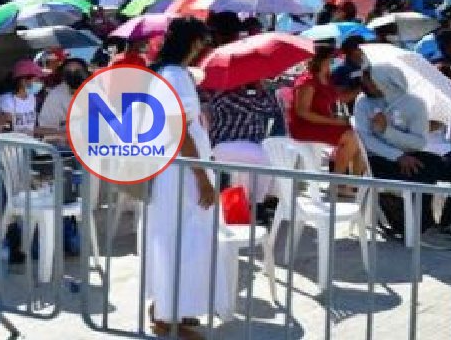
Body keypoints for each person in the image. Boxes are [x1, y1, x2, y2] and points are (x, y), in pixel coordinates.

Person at [145, 17, 229, 337]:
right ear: (192, 42)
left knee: (173, 237)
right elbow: (178, 131)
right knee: (185, 239)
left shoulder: (167, 73)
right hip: (182, 170)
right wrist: (202, 178)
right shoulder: (175, 75)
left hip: (176, 168)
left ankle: (168, 307)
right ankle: (171, 317)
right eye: (202, 41)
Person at [349, 64, 451, 245]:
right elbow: (367, 140)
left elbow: (418, 142)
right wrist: (397, 155)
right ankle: (421, 229)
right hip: (379, 159)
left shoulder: (414, 103)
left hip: (412, 153)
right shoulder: (363, 102)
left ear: (385, 82)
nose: (364, 85)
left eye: (369, 81)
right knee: (424, 174)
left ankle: (446, 222)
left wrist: (387, 131)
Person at [207, 81, 280, 225]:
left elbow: (273, 107)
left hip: (245, 147)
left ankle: (254, 204)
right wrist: (261, 89)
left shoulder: (245, 95)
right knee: (262, 159)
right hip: (226, 145)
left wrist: (260, 89)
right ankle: (256, 204)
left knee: (261, 161)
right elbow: (266, 107)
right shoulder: (227, 96)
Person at [289, 45, 365, 175]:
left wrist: (362, 88)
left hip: (322, 123)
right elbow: (302, 111)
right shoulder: (308, 81)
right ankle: (338, 182)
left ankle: (354, 184)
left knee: (361, 136)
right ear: (323, 60)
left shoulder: (326, 79)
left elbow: (341, 98)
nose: (336, 60)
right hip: (305, 126)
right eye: (333, 58)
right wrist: (335, 121)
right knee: (352, 137)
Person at [37, 58, 89, 136]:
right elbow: (45, 128)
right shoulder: (55, 96)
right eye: (70, 72)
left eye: (77, 72)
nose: (73, 75)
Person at [0, 60, 44, 134]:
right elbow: (6, 130)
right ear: (23, 81)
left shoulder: (32, 98)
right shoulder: (6, 101)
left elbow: (31, 128)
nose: (40, 83)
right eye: (36, 80)